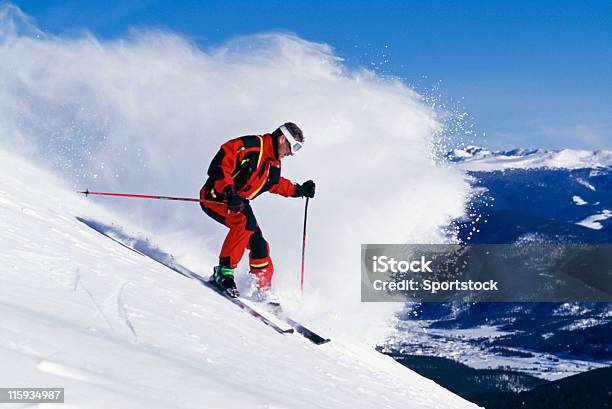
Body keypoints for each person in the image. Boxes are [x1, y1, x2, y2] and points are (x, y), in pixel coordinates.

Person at [200, 122, 315, 299]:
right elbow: (222, 163)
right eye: (292, 147)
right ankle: (223, 273)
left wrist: (299, 190)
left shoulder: (274, 163)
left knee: (259, 245)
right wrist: (229, 191)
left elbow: (275, 184)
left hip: (240, 203)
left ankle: (261, 289)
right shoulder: (252, 146)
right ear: (282, 138)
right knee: (244, 223)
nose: (291, 153)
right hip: (216, 196)